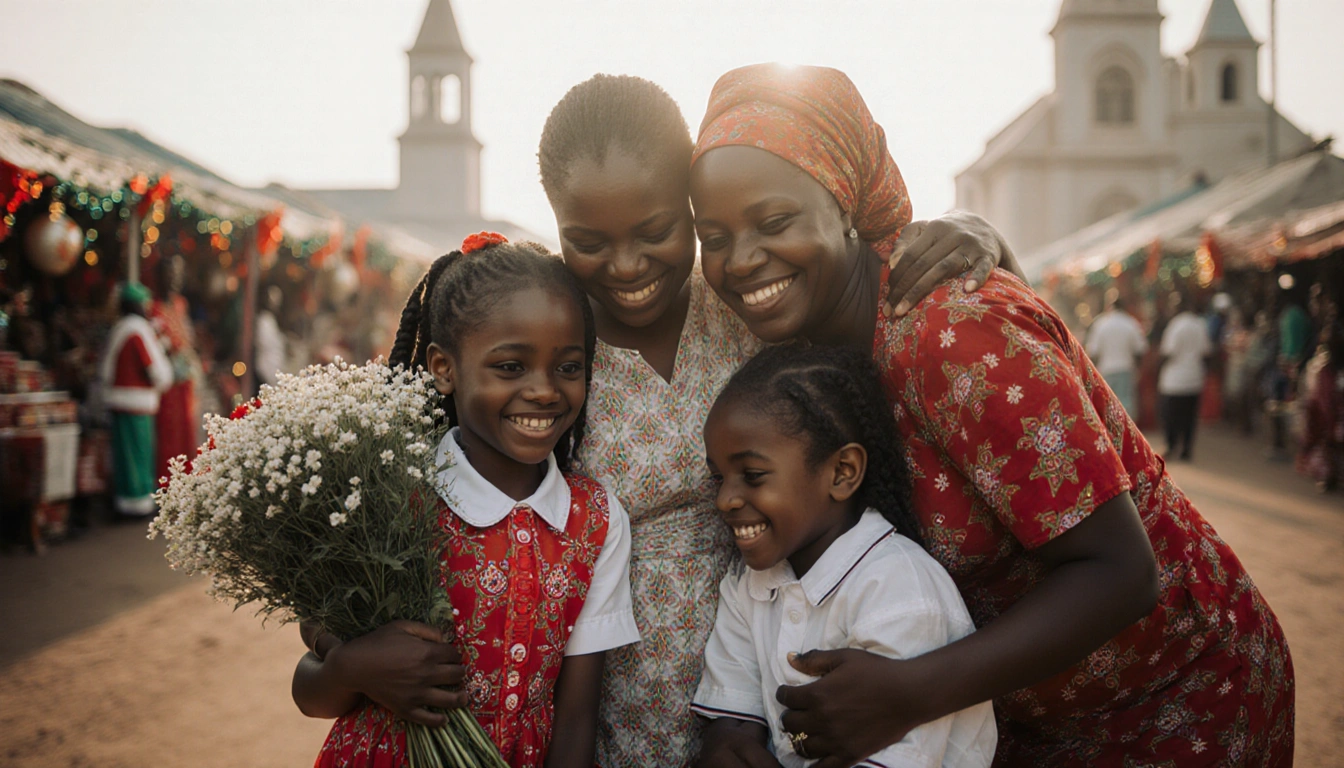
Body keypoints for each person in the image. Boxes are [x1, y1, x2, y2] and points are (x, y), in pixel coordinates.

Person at [689, 63, 1293, 766]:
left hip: (1176, 699)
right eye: (715, 235)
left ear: (845, 206)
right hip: (1024, 719)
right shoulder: (808, 352)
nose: (739, 260)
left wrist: (911, 692)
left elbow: (1123, 572)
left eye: (774, 220)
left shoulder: (950, 330)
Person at [535, 73, 1022, 766]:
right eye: (587, 240)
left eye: (656, 230)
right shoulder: (549, 339)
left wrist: (987, 239)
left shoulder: (748, 303)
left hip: (777, 679)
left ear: (692, 206)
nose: (625, 264)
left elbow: (867, 299)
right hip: (609, 701)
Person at [292, 235, 640, 768]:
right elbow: (309, 691)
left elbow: (576, 721)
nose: (545, 390)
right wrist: (355, 668)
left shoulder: (595, 521)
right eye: (510, 367)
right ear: (443, 367)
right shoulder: (389, 494)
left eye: (568, 367)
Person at [693, 345, 996, 768]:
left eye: (753, 476)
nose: (725, 499)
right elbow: (733, 720)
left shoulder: (899, 589)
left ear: (842, 472)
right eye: (717, 478)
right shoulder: (748, 585)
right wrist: (725, 748)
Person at [99, 282, 173, 517]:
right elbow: (155, 368)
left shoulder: (120, 328)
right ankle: (137, 502)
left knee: (125, 455)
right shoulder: (138, 330)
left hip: (122, 401)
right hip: (136, 402)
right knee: (138, 454)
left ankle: (128, 499)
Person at [150, 254, 202, 478]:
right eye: (170, 273)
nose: (174, 279)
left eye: (178, 274)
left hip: (185, 379)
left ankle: (185, 479)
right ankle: (168, 479)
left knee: (187, 431)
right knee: (169, 432)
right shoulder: (154, 308)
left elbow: (188, 338)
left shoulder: (181, 305)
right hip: (168, 380)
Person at [1158, 291, 1212, 461]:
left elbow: (1168, 351)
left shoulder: (1175, 325)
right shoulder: (1199, 324)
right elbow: (1206, 352)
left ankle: (1171, 445)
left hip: (1174, 381)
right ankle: (1186, 449)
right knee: (1189, 417)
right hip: (1193, 379)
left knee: (1170, 415)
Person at [1297, 319, 1342, 491]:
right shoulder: (1324, 369)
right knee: (1329, 446)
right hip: (1327, 414)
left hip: (1330, 414)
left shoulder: (1328, 369)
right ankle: (1329, 476)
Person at [1084, 294, 1147, 417]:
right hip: (1126, 369)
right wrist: (1137, 369)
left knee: (1108, 406)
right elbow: (1140, 350)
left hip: (1106, 371)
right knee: (1126, 404)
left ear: (1110, 307)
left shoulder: (1101, 323)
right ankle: (1127, 434)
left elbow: (1093, 352)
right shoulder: (1130, 323)